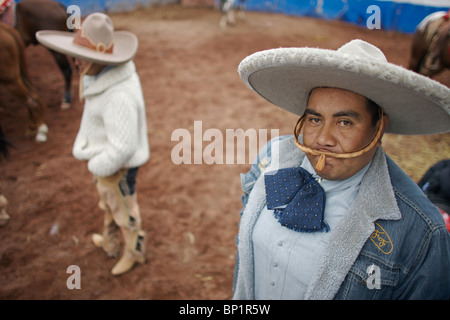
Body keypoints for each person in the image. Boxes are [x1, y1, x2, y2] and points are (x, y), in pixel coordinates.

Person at [233, 39, 450, 299]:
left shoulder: (421, 231)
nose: (323, 138)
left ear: (379, 128)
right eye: (314, 119)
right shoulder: (269, 158)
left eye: (344, 122)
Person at [36, 13, 150, 276]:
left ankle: (135, 252)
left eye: (80, 56)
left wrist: (98, 166)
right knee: (111, 205)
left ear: (99, 58)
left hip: (115, 166)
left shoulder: (117, 95)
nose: (75, 61)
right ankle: (110, 242)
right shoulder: (102, 77)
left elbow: (123, 147)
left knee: (125, 210)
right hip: (107, 163)